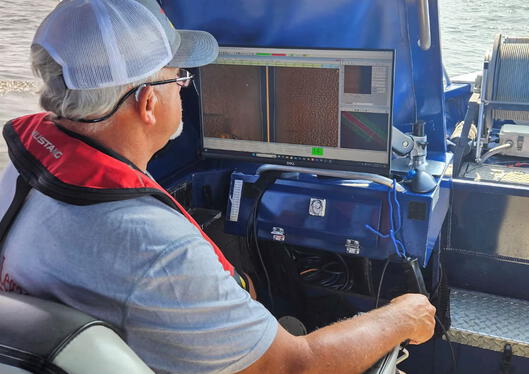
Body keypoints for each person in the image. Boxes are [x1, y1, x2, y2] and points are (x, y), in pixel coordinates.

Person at [0, 0, 437, 373]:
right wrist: (400, 316)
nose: (184, 88)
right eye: (180, 77)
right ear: (148, 103)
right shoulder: (155, 247)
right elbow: (294, 365)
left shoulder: (24, 173)